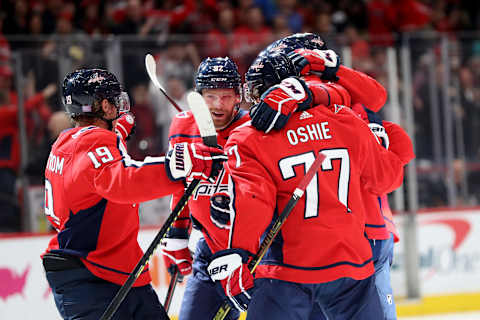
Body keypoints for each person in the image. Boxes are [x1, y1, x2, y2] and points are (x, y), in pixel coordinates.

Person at [207, 74, 415, 319]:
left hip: (288, 271)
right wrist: (384, 142)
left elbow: (253, 202)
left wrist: (239, 254)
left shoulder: (248, 137)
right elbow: (387, 179)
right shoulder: (345, 120)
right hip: (351, 265)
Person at [42, 68, 227, 320]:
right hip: (92, 275)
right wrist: (180, 165)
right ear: (104, 106)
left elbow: (96, 170)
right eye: (114, 101)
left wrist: (116, 134)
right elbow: (124, 181)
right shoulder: (93, 144)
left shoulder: (67, 142)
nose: (121, 107)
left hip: (112, 270)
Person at [160, 57, 249, 320]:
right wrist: (176, 232)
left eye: (226, 96)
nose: (218, 105)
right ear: (198, 97)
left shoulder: (253, 128)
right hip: (208, 249)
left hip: (253, 253)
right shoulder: (182, 126)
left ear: (238, 97)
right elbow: (181, 185)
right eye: (210, 96)